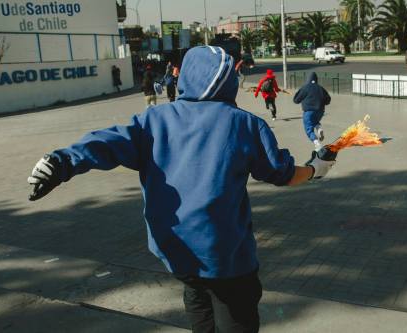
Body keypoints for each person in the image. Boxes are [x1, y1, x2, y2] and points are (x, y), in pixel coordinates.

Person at [27, 46, 337, 333]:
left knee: (198, 302)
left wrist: (61, 162)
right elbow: (282, 174)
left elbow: (109, 141)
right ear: (227, 80)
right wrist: (315, 170)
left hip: (177, 253)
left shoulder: (153, 120)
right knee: (235, 316)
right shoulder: (245, 124)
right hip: (227, 257)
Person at [293, 72, 331, 151]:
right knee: (315, 121)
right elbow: (328, 100)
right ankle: (319, 129)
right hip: (320, 111)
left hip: (309, 111)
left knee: (309, 130)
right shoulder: (321, 88)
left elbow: (296, 100)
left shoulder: (305, 87)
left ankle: (317, 144)